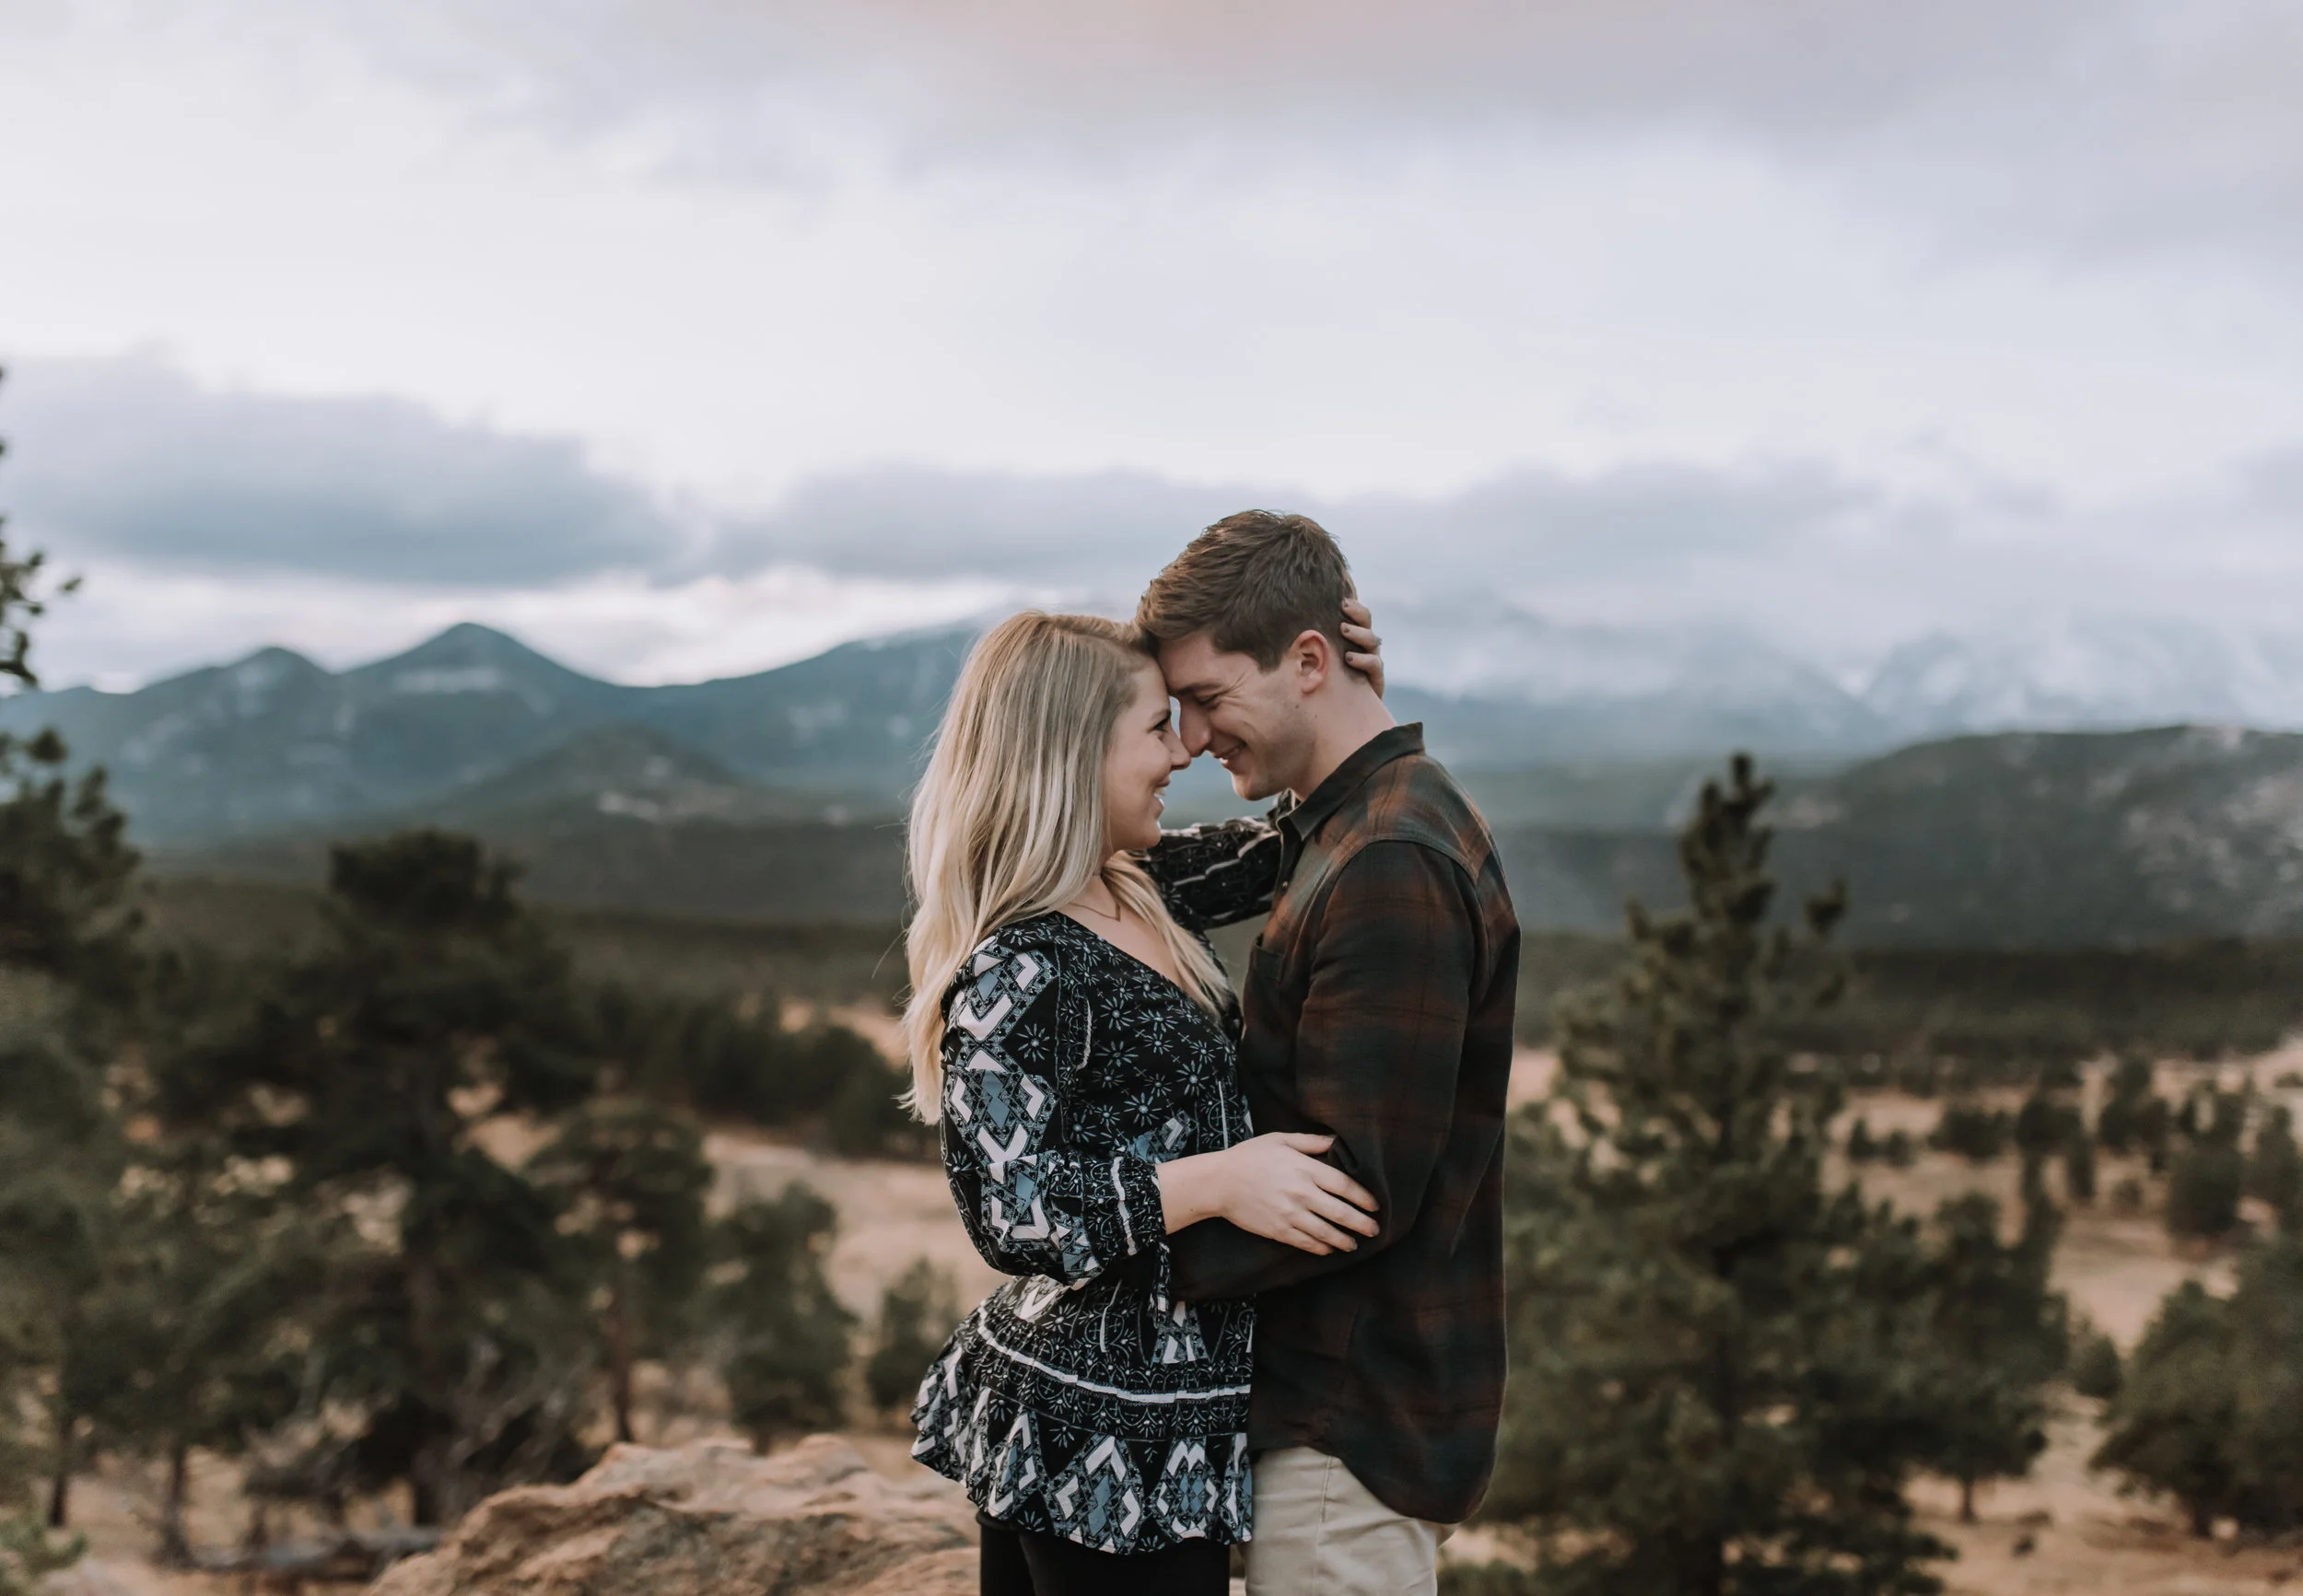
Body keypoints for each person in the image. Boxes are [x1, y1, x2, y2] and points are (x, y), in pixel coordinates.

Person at [905, 607, 1388, 1596]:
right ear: (1072, 751)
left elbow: (1302, 840)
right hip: (1094, 1434)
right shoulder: (1021, 963)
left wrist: (1347, 702)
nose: (1184, 751)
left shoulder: (1141, 882)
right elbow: (1012, 1210)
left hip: (1165, 1415)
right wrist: (1218, 1180)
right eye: (1155, 727)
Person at [1140, 511, 1521, 1596]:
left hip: (1338, 1436)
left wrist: (1123, 1245)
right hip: (1324, 1416)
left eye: (1210, 698)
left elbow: (1351, 1188)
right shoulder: (1358, 822)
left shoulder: (1389, 859)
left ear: (1309, 660)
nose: (1198, 737)